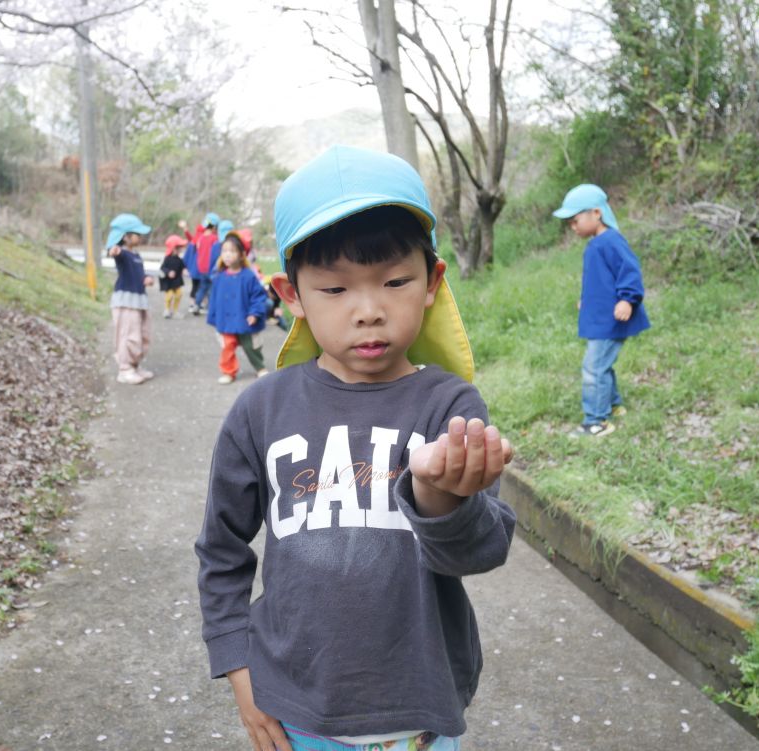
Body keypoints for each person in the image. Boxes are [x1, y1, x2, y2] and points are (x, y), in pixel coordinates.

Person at [195, 145, 516, 751]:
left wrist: (436, 495)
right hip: (293, 707)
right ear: (292, 295)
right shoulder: (260, 412)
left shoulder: (450, 410)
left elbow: (482, 551)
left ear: (432, 281)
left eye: (395, 281)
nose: (369, 311)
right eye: (336, 289)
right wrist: (238, 667)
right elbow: (221, 547)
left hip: (419, 707)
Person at [552, 184, 650, 437]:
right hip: (600, 317)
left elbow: (630, 271)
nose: (573, 227)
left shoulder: (611, 240)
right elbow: (601, 280)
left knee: (594, 368)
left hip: (611, 321)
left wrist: (628, 299)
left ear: (596, 213)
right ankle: (613, 404)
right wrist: (587, 300)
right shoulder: (597, 243)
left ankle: (596, 421)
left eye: (575, 220)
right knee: (601, 364)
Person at [206, 231, 269, 384]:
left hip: (245, 319)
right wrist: (213, 316)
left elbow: (258, 296)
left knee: (251, 346)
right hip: (226, 321)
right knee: (227, 347)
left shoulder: (248, 276)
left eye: (232, 251)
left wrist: (255, 313)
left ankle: (259, 367)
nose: (227, 255)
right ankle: (228, 371)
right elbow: (214, 299)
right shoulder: (219, 277)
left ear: (242, 255)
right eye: (225, 251)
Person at [106, 213, 156, 385]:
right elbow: (116, 254)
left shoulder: (135, 255)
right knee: (128, 333)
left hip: (139, 300)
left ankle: (134, 364)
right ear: (126, 236)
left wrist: (146, 278)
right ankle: (125, 369)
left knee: (142, 333)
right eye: (137, 234)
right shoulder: (123, 254)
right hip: (126, 301)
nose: (140, 237)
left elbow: (137, 273)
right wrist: (114, 251)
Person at [189, 212, 220, 314]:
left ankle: (196, 305)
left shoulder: (201, 238)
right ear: (214, 226)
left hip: (201, 268)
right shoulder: (214, 238)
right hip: (210, 268)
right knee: (211, 289)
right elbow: (215, 253)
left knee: (202, 288)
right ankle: (210, 309)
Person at [160, 234, 188, 318]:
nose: (180, 250)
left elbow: (183, 266)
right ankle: (167, 310)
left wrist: (184, 270)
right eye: (178, 248)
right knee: (169, 296)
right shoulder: (167, 258)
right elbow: (163, 268)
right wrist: (168, 272)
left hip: (177, 282)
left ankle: (175, 311)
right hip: (168, 283)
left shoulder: (179, 259)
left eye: (180, 248)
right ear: (172, 248)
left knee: (179, 294)